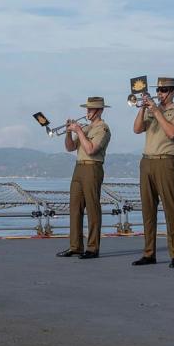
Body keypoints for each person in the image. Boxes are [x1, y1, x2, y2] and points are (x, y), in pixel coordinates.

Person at [132, 77, 174, 268]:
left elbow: (172, 133)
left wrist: (156, 111)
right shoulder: (151, 110)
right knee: (148, 210)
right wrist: (142, 108)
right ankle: (149, 253)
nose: (160, 94)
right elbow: (137, 129)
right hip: (147, 161)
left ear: (173, 91)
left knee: (170, 209)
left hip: (166, 162)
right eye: (159, 90)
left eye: (164, 90)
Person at [56, 97, 111, 259]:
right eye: (87, 109)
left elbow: (91, 149)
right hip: (79, 167)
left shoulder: (103, 129)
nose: (87, 112)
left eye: (91, 109)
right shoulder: (86, 128)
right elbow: (70, 147)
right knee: (75, 208)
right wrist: (67, 132)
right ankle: (75, 246)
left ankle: (93, 248)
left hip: (93, 167)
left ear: (100, 110)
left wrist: (79, 131)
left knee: (93, 209)